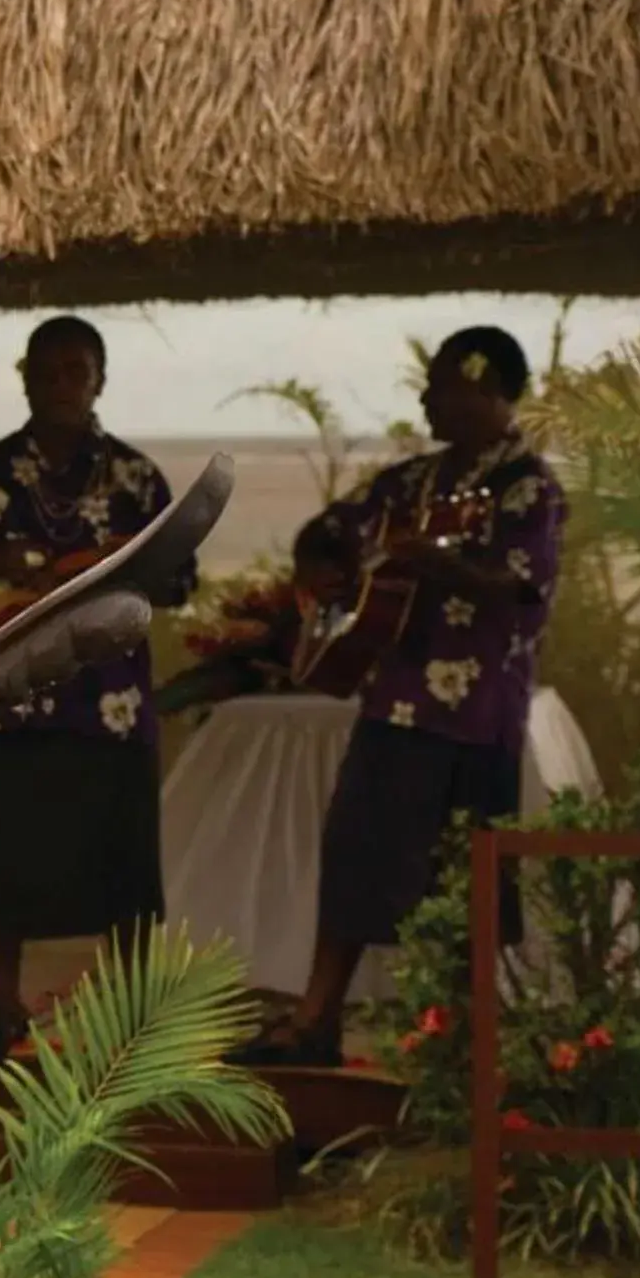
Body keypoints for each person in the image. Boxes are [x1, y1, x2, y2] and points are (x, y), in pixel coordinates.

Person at [240, 326, 565, 1064]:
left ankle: (454, 1046)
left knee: (463, 884)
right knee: (354, 853)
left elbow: (516, 588)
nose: (425, 397)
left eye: (442, 384)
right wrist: (323, 571)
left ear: (486, 390)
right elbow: (326, 531)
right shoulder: (411, 483)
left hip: (476, 716)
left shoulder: (527, 488)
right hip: (394, 700)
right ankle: (315, 1020)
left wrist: (435, 565)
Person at [0, 314, 189, 1072]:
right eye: (49, 370)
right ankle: (2, 1006)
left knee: (123, 864)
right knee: (3, 862)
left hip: (109, 707)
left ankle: (127, 1023)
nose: (63, 384)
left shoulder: (133, 479)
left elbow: (178, 578)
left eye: (78, 370)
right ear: (25, 377)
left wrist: (110, 567)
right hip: (6, 706)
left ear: (99, 380)